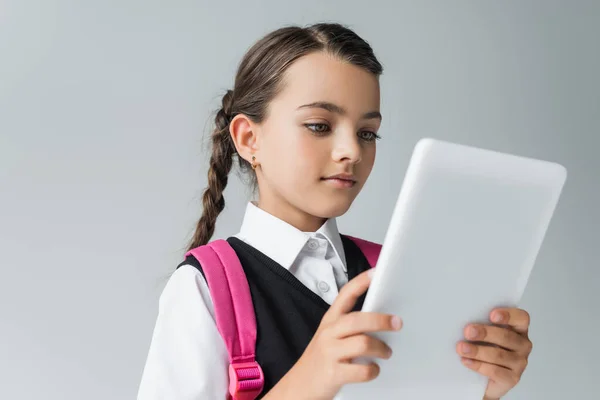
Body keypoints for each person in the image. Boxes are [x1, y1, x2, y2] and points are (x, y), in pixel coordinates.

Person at [137, 22, 533, 400]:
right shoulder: (205, 288)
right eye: (319, 125)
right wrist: (308, 382)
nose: (352, 151)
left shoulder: (396, 274)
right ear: (248, 138)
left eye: (366, 132)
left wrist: (479, 387)